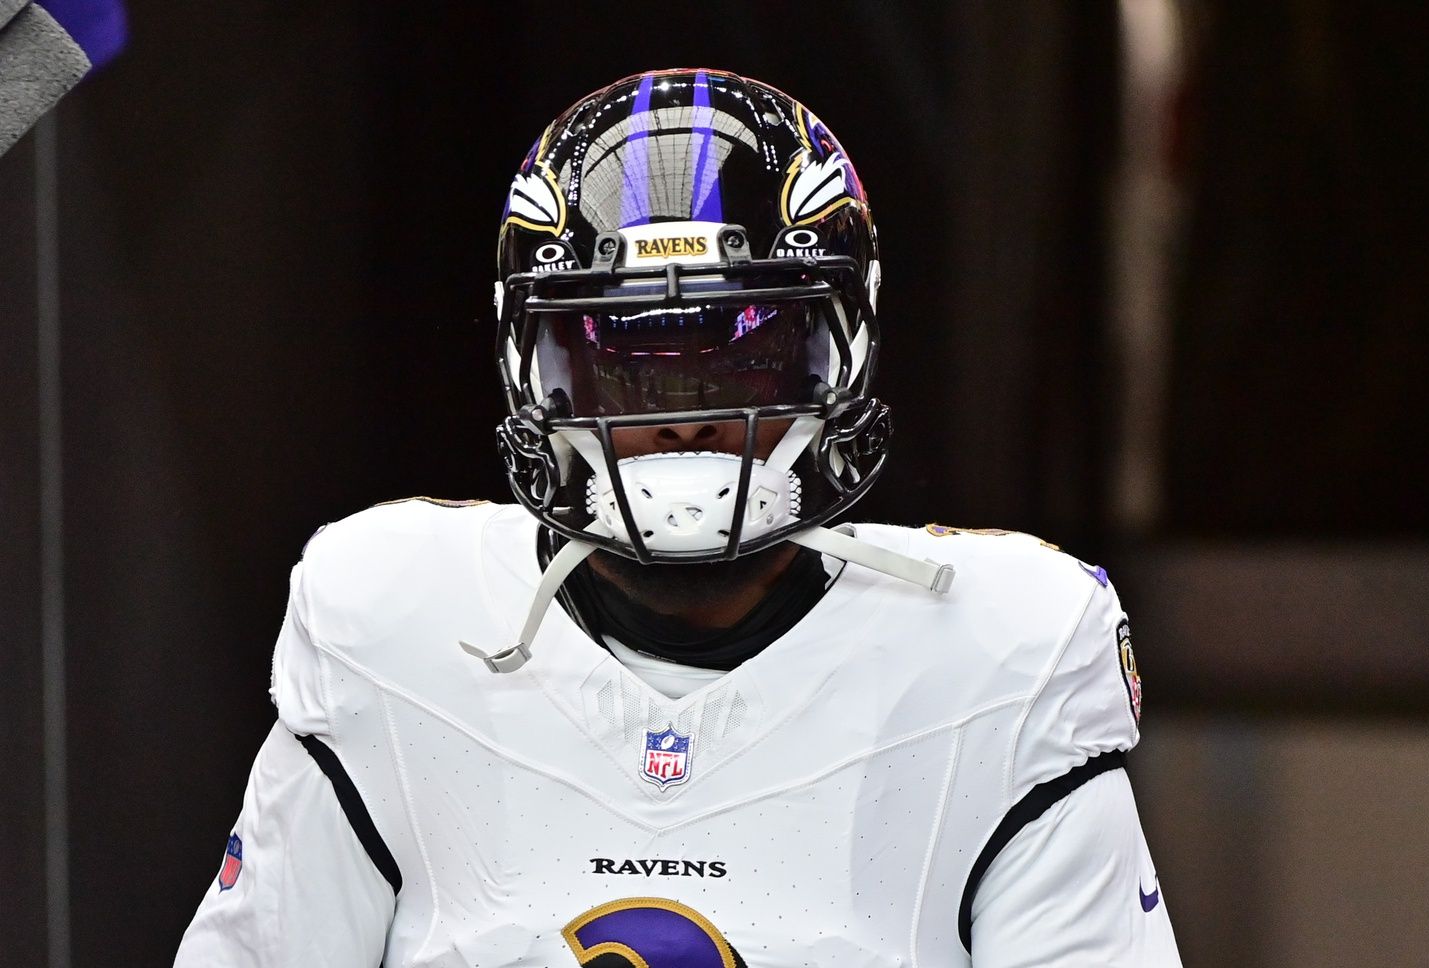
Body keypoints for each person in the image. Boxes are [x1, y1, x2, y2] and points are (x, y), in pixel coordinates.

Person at [176, 68, 1181, 967]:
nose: (688, 414)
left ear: (840, 356)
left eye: (736, 356)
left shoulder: (1003, 655)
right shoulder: (393, 628)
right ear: (540, 372)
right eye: (630, 365)